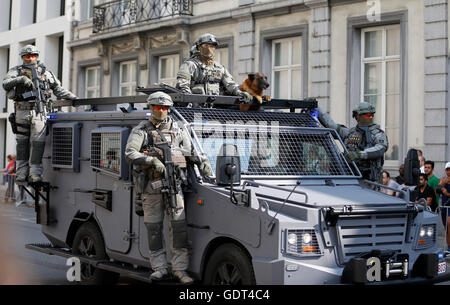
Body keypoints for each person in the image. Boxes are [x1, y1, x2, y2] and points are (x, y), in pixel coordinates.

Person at [125, 91, 213, 284]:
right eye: (158, 107)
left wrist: (202, 163)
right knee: (154, 229)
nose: (162, 110)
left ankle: (180, 270)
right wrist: (151, 160)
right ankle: (160, 268)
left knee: (179, 228)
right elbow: (130, 153)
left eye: (165, 107)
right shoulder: (142, 130)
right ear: (151, 108)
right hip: (151, 187)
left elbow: (191, 152)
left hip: (175, 186)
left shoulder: (178, 129)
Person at [2, 45, 77, 184]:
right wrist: (20, 79)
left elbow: (58, 90)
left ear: (37, 56)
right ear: (23, 57)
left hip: (40, 111)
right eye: (27, 56)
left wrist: (75, 98)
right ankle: (21, 172)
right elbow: (5, 83)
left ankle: (35, 173)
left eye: (33, 55)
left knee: (38, 144)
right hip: (22, 111)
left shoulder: (46, 73)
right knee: (22, 143)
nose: (30, 58)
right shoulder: (16, 71)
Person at [317, 101, 388, 182]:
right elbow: (331, 125)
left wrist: (359, 155)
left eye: (372, 115)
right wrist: (316, 107)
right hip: (348, 177)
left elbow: (380, 148)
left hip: (369, 180)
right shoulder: (349, 133)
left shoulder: (378, 134)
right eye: (367, 115)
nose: (371, 117)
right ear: (357, 116)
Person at [176, 33, 252, 103]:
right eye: (205, 46)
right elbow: (183, 85)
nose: (209, 49)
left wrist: (239, 92)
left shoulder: (220, 68)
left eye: (212, 46)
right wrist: (190, 102)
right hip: (196, 108)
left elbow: (230, 84)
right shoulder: (189, 64)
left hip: (215, 109)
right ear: (199, 47)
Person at [436, 162, 450, 251]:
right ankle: (449, 247)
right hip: (445, 206)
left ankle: (449, 248)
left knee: (449, 223)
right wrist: (442, 187)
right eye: (447, 170)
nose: (449, 172)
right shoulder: (444, 179)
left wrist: (448, 194)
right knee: (447, 228)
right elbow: (437, 189)